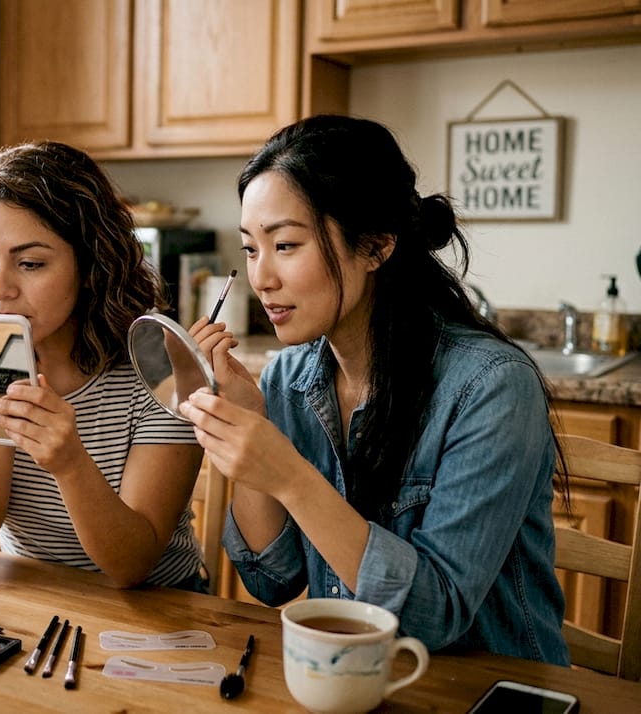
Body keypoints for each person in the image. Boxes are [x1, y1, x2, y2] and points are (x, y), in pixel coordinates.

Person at [180, 115, 569, 663]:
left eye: (285, 245)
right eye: (250, 249)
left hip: (487, 686)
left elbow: (434, 615)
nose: (262, 278)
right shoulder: (289, 378)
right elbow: (271, 582)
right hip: (348, 674)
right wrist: (254, 428)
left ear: (375, 247)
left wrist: (290, 475)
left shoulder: (491, 386)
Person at [0, 141, 206, 590]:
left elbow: (131, 566)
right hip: (34, 596)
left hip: (160, 605)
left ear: (91, 263)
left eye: (30, 263)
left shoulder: (160, 361)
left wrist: (70, 462)